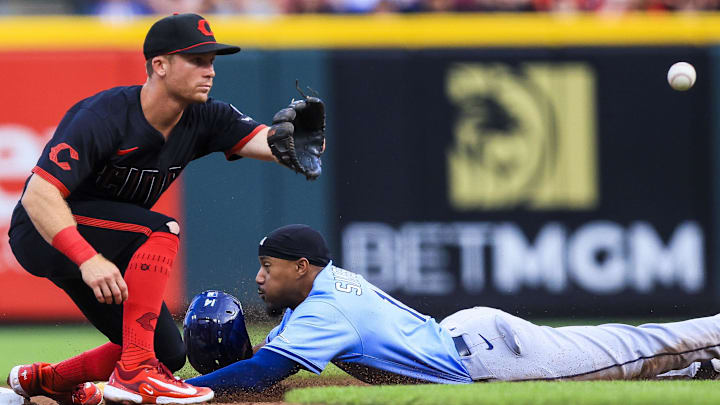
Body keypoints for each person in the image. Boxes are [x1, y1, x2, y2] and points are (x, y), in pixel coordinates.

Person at [5, 13, 323, 405]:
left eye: (211, 61)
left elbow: (265, 141)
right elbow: (38, 194)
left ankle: (44, 382)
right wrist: (88, 259)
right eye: (197, 60)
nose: (209, 71)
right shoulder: (105, 116)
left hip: (110, 241)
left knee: (168, 354)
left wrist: (289, 143)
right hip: (45, 232)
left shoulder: (206, 116)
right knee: (161, 229)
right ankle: (134, 373)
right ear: (160, 65)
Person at [184, 224, 720, 394]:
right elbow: (267, 358)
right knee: (639, 352)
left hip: (488, 356)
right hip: (468, 337)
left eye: (267, 266)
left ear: (301, 267)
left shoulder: (325, 312)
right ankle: (706, 366)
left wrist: (185, 394)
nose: (259, 277)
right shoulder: (326, 289)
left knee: (640, 348)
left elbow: (262, 371)